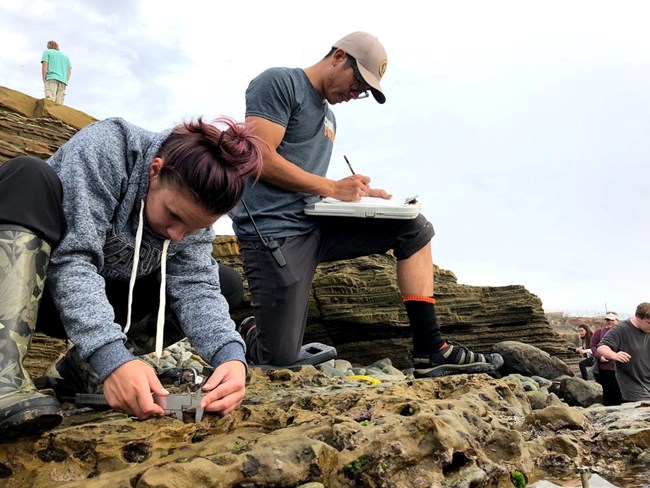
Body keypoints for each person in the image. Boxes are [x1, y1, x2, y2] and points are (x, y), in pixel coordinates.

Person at [230, 31, 503, 377]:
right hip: (272, 232)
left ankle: (430, 349)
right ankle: (254, 329)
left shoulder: (330, 117)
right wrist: (331, 186)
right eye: (357, 84)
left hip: (314, 225)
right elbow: (258, 158)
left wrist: (353, 195)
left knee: (412, 228)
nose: (354, 94)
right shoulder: (280, 82)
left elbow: (301, 178)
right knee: (279, 359)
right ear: (339, 56)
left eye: (362, 92)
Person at [0, 116, 263, 439]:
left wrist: (232, 359)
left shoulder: (190, 216)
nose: (179, 235)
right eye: (174, 216)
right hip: (30, 286)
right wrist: (112, 357)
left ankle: (83, 371)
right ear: (155, 170)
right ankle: (3, 375)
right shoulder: (110, 149)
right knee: (29, 174)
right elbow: (72, 258)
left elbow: (197, 287)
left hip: (96, 302)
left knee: (225, 283)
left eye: (194, 227)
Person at [597, 303, 650, 403]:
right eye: (649, 323)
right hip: (634, 385)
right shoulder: (621, 329)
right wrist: (614, 355)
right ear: (638, 317)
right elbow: (602, 347)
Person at [590, 311, 622, 405]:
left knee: (619, 391)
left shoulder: (622, 332)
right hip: (605, 367)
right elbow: (593, 346)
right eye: (607, 320)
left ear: (617, 321)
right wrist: (599, 357)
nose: (609, 322)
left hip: (620, 368)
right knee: (607, 391)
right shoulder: (599, 332)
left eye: (612, 320)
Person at [41, 40, 72, 104]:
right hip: (63, 81)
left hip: (52, 78)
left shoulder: (47, 52)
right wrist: (65, 80)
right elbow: (69, 71)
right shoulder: (65, 57)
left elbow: (45, 65)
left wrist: (44, 78)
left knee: (50, 100)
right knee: (59, 104)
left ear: (48, 46)